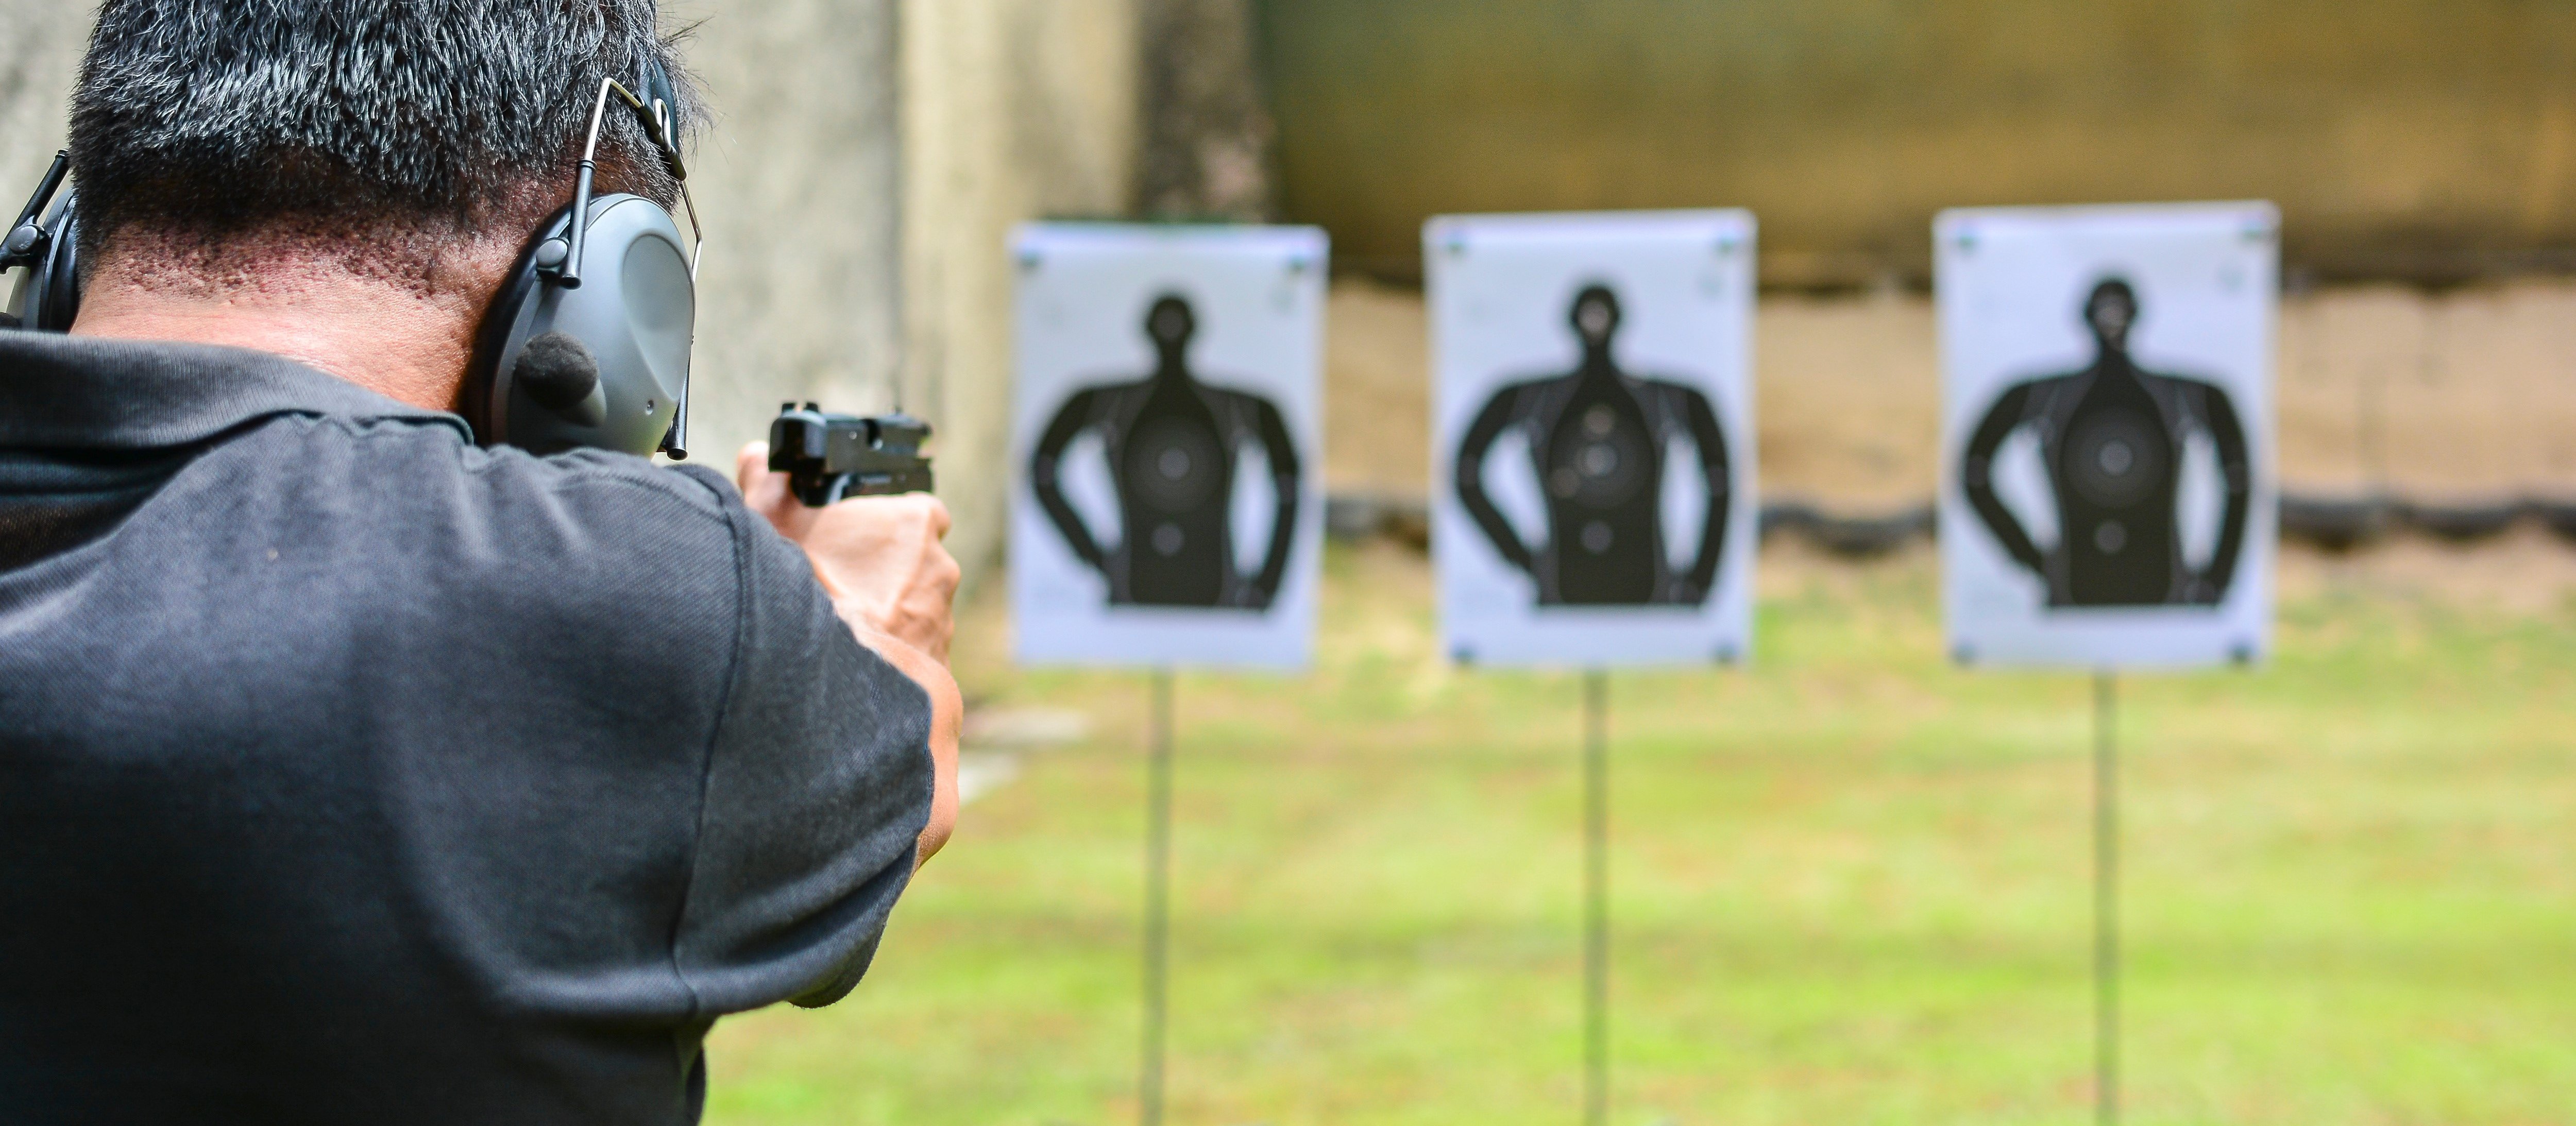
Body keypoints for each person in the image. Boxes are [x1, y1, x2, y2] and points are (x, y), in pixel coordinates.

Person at [0, 3, 961, 1123]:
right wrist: (840, 605)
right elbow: (911, 759)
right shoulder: (633, 597)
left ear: (64, 243)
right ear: (601, 294)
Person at [1959, 277, 2252, 607]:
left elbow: (2238, 479)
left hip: (2145, 584)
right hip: (2091, 585)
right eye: (2105, 312)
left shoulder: (2052, 396)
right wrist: (2030, 559)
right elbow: (1975, 473)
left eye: (2118, 312)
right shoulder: (2053, 396)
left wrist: (2219, 576)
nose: (2112, 324)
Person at [1454, 284, 1732, 607]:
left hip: (1635, 583)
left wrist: (1703, 577)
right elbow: (1467, 474)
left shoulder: (1663, 399)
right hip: (1573, 583)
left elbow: (1718, 482)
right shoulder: (1537, 399)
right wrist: (1519, 557)